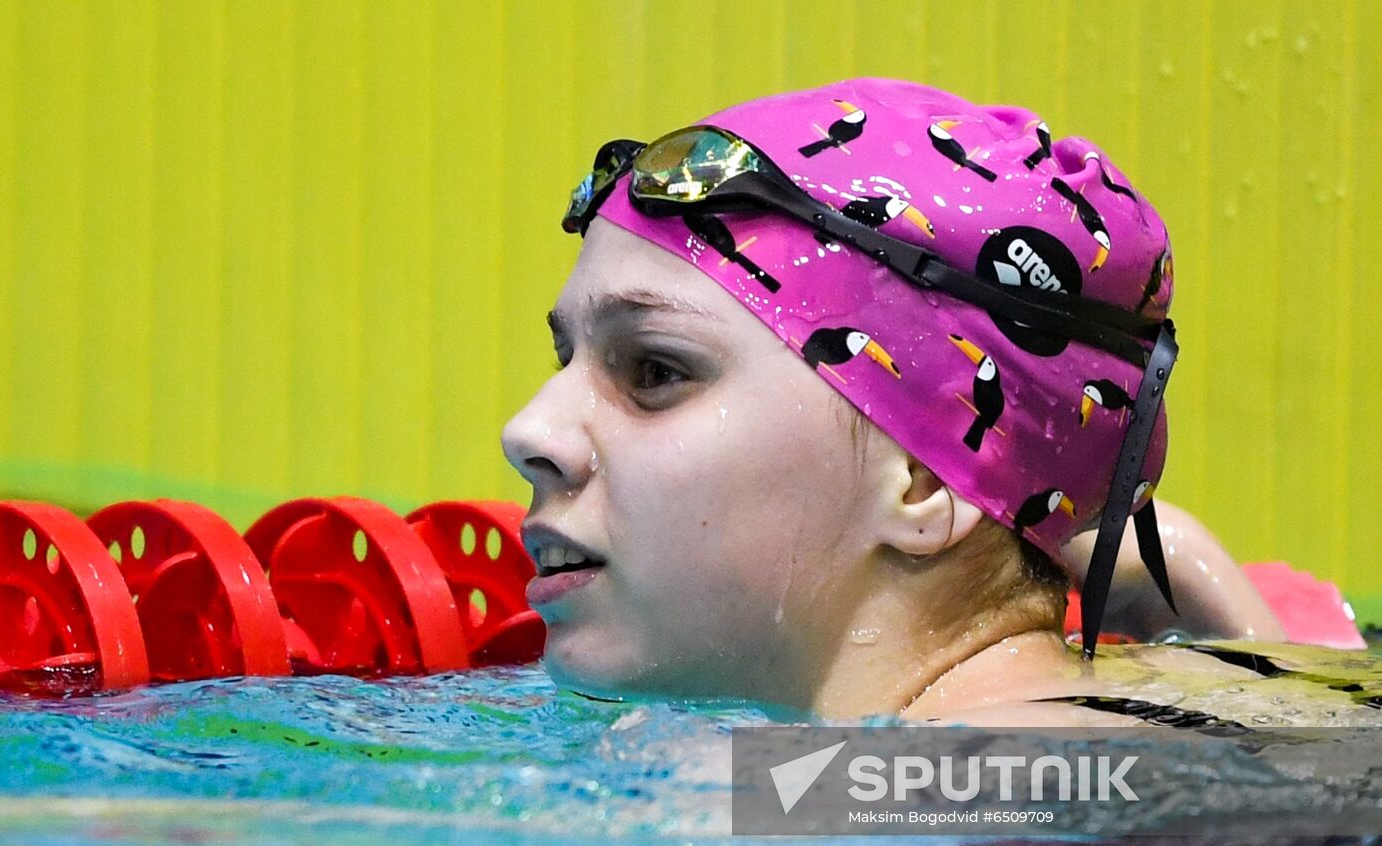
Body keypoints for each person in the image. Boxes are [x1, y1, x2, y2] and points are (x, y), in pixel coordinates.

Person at [501, 78, 1289, 723]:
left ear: (923, 482)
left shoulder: (935, 790)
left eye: (653, 372)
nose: (530, 431)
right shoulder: (1187, 716)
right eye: (567, 357)